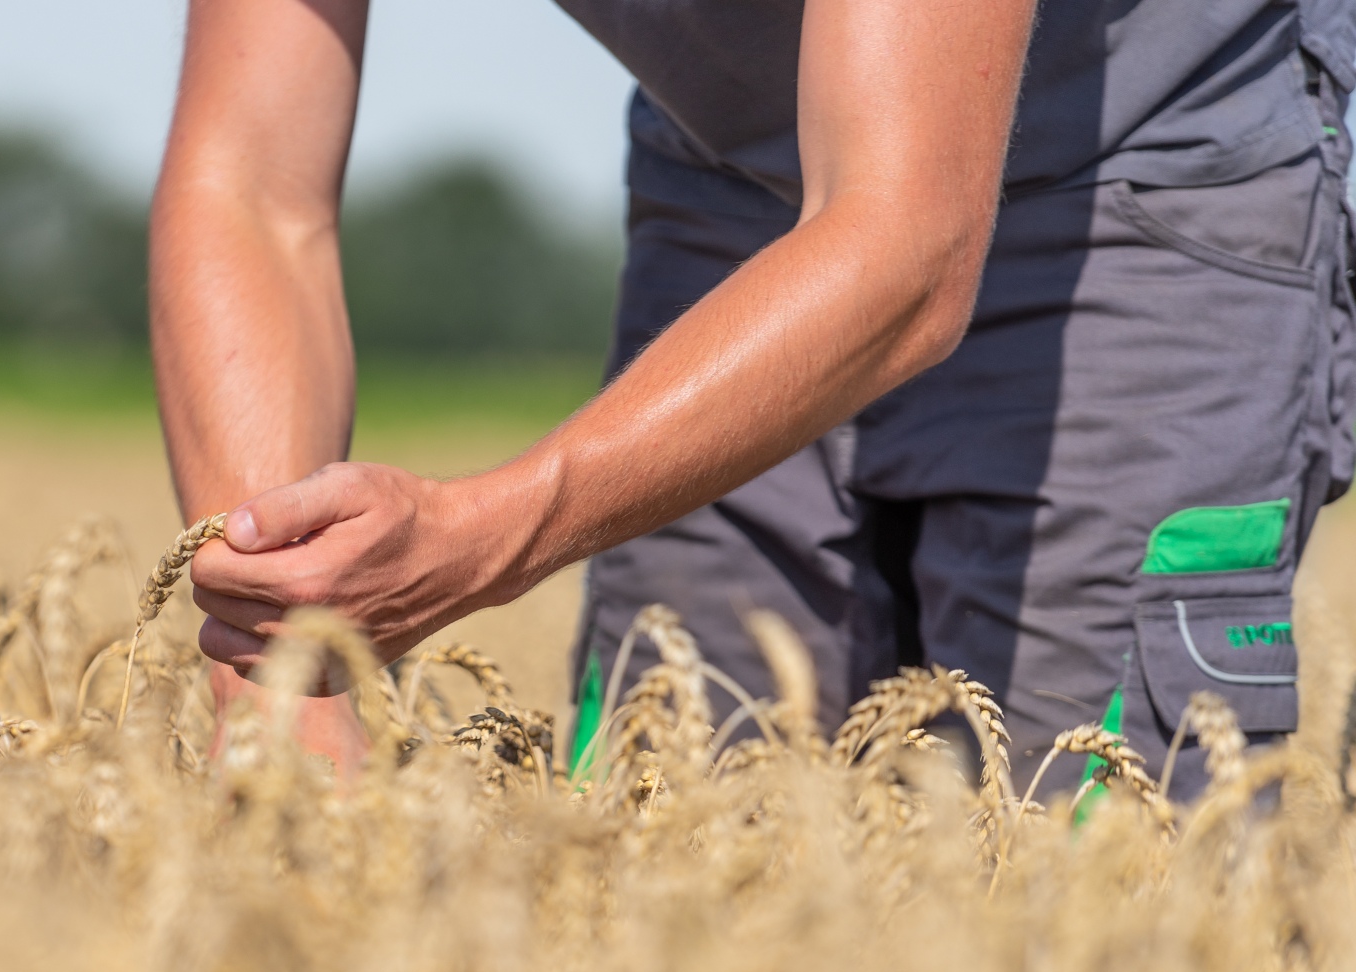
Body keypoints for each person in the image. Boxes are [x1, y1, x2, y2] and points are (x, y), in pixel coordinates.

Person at [149, 0, 1356, 798]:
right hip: (730, 167)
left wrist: (495, 532)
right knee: (664, 821)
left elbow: (904, 247)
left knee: (1096, 859)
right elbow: (249, 183)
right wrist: (277, 677)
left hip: (1142, 173)